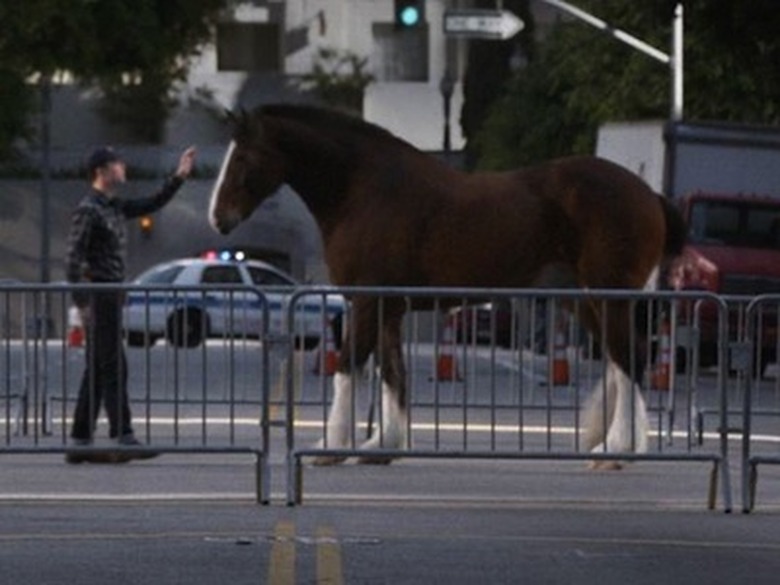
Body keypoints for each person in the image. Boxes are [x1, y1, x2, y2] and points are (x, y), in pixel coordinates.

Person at [64, 145, 196, 464]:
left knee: (98, 367)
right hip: (100, 296)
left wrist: (179, 177)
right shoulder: (90, 210)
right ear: (102, 171)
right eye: (117, 164)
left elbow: (152, 203)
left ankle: (80, 439)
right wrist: (83, 302)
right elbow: (72, 259)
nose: (123, 167)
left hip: (111, 296)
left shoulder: (112, 207)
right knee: (113, 367)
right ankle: (123, 435)